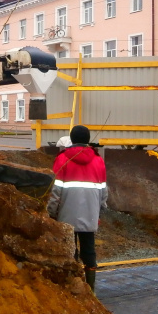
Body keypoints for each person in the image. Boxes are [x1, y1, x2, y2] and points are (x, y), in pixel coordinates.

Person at [47, 125, 107, 292]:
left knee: (69, 251)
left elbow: (55, 191)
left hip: (66, 214)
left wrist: (51, 213)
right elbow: (103, 192)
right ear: (88, 140)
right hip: (90, 214)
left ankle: (73, 286)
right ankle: (90, 290)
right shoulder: (98, 160)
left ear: (71, 139)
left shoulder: (62, 158)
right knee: (89, 250)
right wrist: (99, 212)